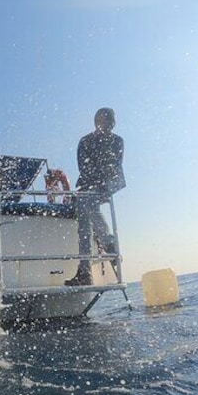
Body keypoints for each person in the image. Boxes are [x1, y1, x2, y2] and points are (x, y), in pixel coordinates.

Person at [66, 107, 125, 286]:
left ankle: (104, 246)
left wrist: (102, 184)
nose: (104, 124)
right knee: (84, 221)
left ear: (112, 123)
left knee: (88, 204)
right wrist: (91, 185)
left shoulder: (117, 140)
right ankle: (86, 269)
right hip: (89, 184)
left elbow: (115, 164)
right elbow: (83, 167)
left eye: (107, 121)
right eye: (101, 120)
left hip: (110, 182)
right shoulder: (85, 141)